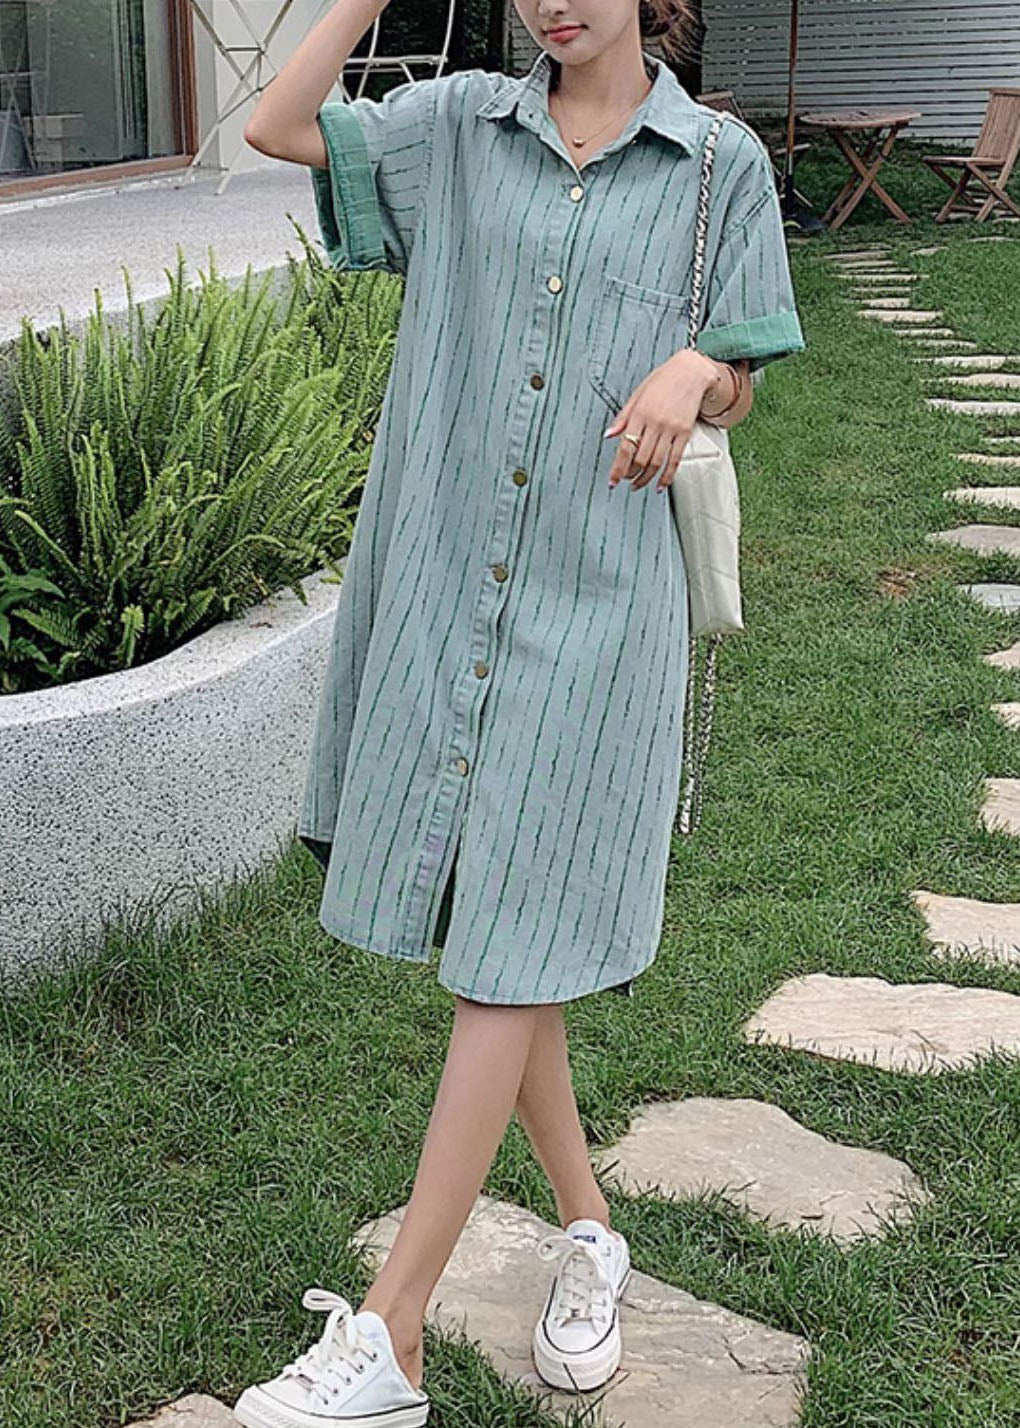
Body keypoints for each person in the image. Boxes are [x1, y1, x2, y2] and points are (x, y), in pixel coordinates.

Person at [237, 1, 806, 1423]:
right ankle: (591, 1230)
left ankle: (396, 1332)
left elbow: (741, 372)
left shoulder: (716, 161)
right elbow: (276, 124)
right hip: (449, 591)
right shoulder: (456, 129)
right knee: (510, 939)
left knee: (505, 955)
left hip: (599, 609)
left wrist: (695, 371)